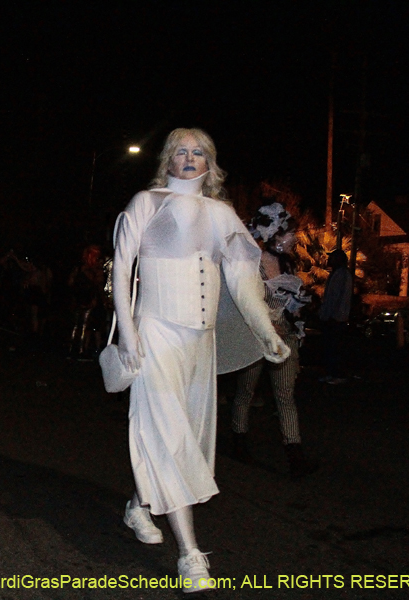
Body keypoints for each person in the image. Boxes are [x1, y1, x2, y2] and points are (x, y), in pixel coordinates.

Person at [111, 128, 289, 593]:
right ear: (167, 160)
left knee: (180, 434)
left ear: (211, 163)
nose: (189, 159)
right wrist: (129, 334)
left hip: (200, 340)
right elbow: (122, 265)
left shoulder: (222, 213)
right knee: (169, 432)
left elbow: (242, 278)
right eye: (180, 152)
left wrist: (266, 329)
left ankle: (139, 504)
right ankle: (191, 554)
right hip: (156, 333)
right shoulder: (147, 202)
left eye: (198, 152)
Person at [232, 202, 318, 478]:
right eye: (289, 233)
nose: (294, 238)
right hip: (256, 335)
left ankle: (295, 455)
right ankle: (238, 440)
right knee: (246, 389)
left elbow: (290, 305)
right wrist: (267, 326)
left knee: (285, 395)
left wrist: (300, 306)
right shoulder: (253, 264)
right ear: (275, 234)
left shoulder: (288, 265)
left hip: (284, 336)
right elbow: (247, 302)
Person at [318, 249, 353, 384]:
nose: (329, 260)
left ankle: (338, 374)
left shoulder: (342, 275)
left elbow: (338, 298)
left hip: (336, 319)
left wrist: (333, 316)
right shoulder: (336, 274)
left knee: (335, 349)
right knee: (330, 348)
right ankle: (331, 373)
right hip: (331, 317)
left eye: (332, 258)